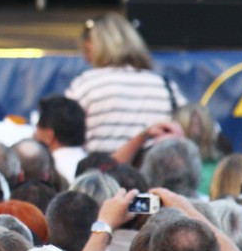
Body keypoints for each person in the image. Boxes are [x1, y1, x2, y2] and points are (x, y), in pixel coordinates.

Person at [66, 12, 186, 155]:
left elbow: (63, 135)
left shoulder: (85, 84)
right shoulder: (164, 85)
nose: (86, 59)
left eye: (87, 50)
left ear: (96, 47)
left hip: (99, 172)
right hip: (153, 173)